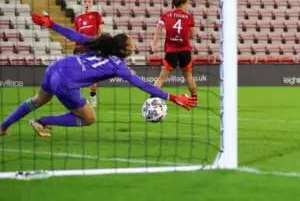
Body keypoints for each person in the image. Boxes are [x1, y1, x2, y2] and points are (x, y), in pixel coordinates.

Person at [0, 13, 196, 137]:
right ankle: (41, 121)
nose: (133, 44)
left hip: (57, 67)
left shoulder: (100, 45)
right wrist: (173, 97)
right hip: (65, 82)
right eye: (131, 43)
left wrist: (51, 24)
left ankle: (3, 126)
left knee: (36, 100)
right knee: (89, 118)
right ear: (123, 51)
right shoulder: (119, 66)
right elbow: (143, 85)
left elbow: (74, 36)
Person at [152, 0, 198, 105]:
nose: (187, 6)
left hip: (171, 50)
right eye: (187, 4)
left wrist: (155, 44)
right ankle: (194, 100)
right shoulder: (189, 17)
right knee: (188, 76)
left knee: (162, 76)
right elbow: (193, 35)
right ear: (182, 5)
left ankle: (152, 98)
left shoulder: (166, 15)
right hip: (185, 50)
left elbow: (158, 31)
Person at [73, 0, 104, 107]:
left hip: (92, 49)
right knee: (77, 74)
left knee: (93, 76)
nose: (87, 3)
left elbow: (102, 31)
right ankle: (79, 99)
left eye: (89, 1)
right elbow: (75, 34)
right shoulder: (77, 18)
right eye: (85, 1)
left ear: (92, 3)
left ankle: (93, 96)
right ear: (82, 2)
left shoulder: (96, 15)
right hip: (78, 49)